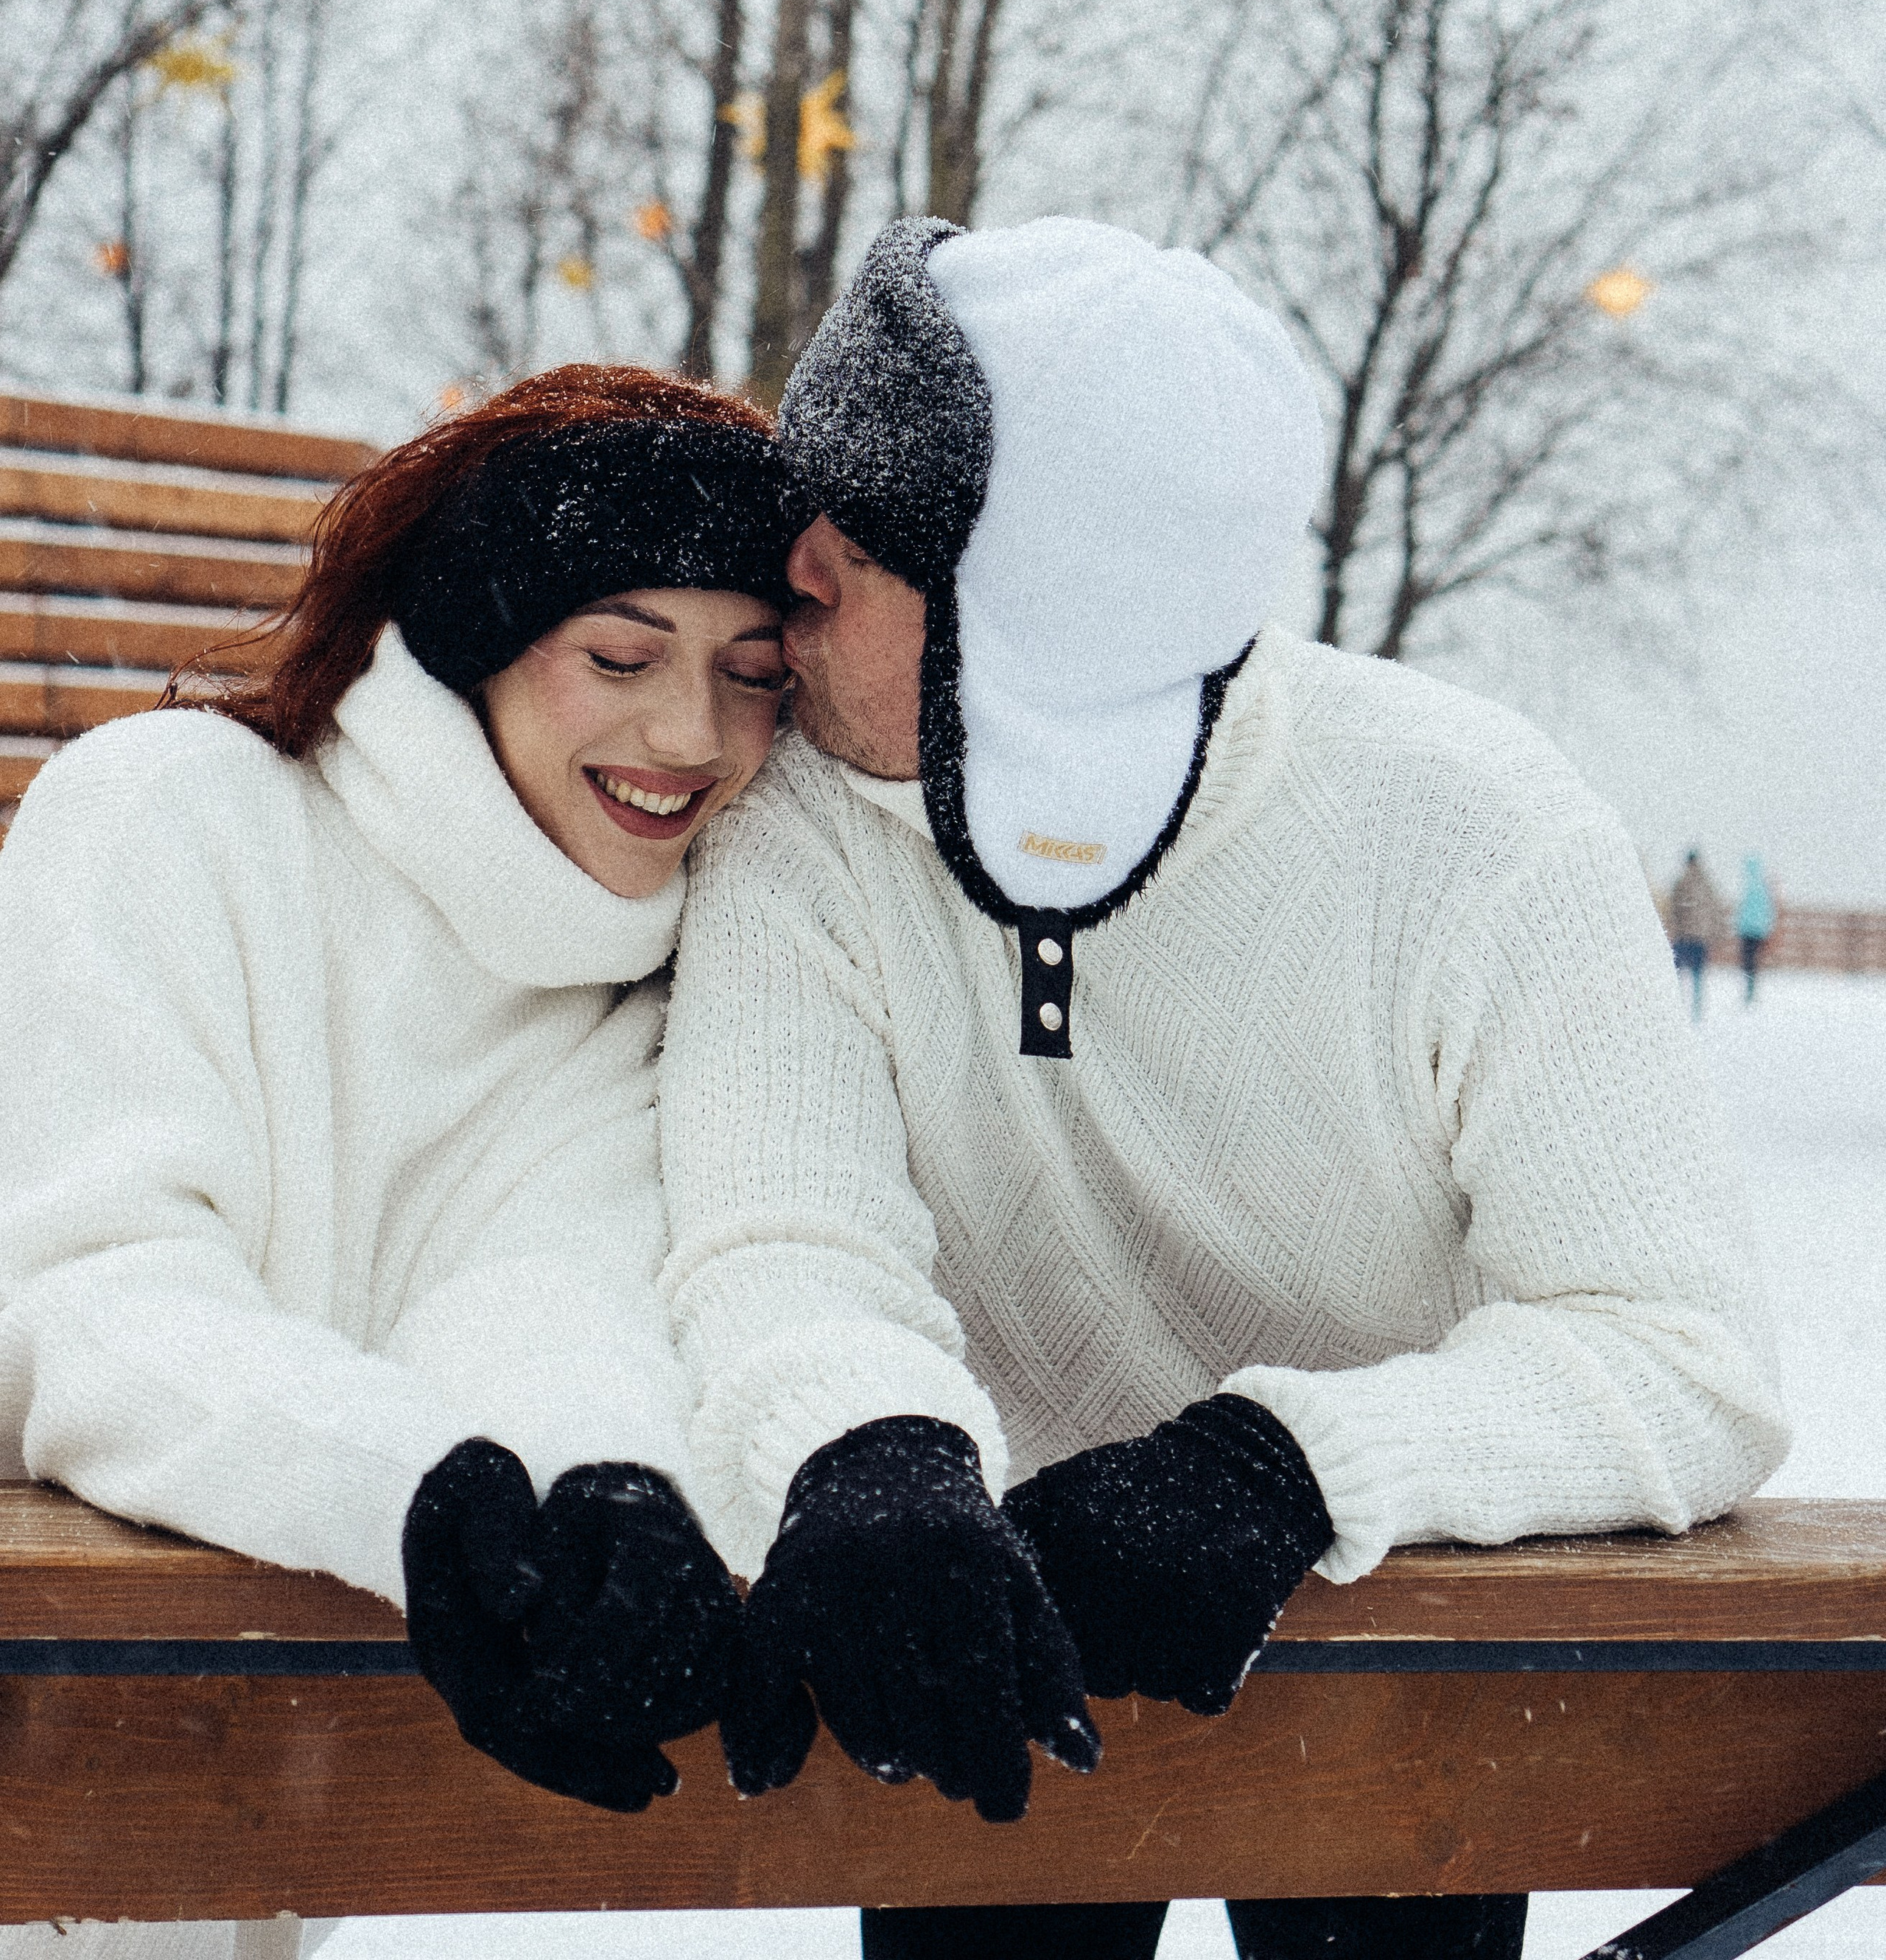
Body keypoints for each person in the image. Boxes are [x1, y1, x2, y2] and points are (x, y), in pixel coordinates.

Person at [658, 215, 1788, 1960]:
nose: (785, 565)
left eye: (869, 531)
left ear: (1037, 614)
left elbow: (1676, 1349)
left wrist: (1287, 1465)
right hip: (971, 1603)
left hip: (1377, 1615)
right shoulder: (798, 822)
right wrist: (861, 1446)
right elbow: (775, 1234)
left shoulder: (1470, 829)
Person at [0, 364, 799, 1960]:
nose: (685, 733)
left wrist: (601, 1488)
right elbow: (84, 1292)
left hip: (238, 1775)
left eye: (751, 673)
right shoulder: (166, 815)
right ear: (479, 638)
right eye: (618, 654)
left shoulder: (654, 969)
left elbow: (538, 1293)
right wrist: (414, 1497)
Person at [1667, 847, 1724, 1022]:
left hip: (1683, 936)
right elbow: (1715, 912)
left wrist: (1674, 931)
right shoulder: (1707, 884)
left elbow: (1673, 911)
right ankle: (1697, 1011)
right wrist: (1715, 935)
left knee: (1677, 973)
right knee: (1698, 975)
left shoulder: (1681, 883)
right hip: (1700, 938)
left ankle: (1675, 1008)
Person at [1737, 855, 1777, 1002]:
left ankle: (1749, 990)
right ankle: (1751, 989)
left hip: (1747, 931)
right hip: (1759, 932)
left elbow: (1742, 911)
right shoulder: (1763, 888)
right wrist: (1768, 929)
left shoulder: (1750, 888)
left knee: (1748, 962)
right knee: (1753, 962)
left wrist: (1739, 927)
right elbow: (1769, 911)